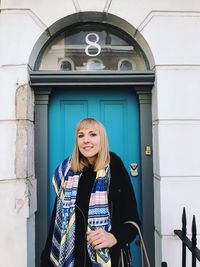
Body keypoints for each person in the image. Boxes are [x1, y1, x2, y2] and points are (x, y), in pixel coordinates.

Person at [40, 118, 140, 267]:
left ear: (102, 139)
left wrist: (114, 237)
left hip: (106, 257)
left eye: (93, 134)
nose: (86, 140)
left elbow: (132, 221)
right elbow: (57, 220)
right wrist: (46, 260)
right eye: (81, 135)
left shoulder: (115, 168)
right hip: (71, 259)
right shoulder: (67, 171)